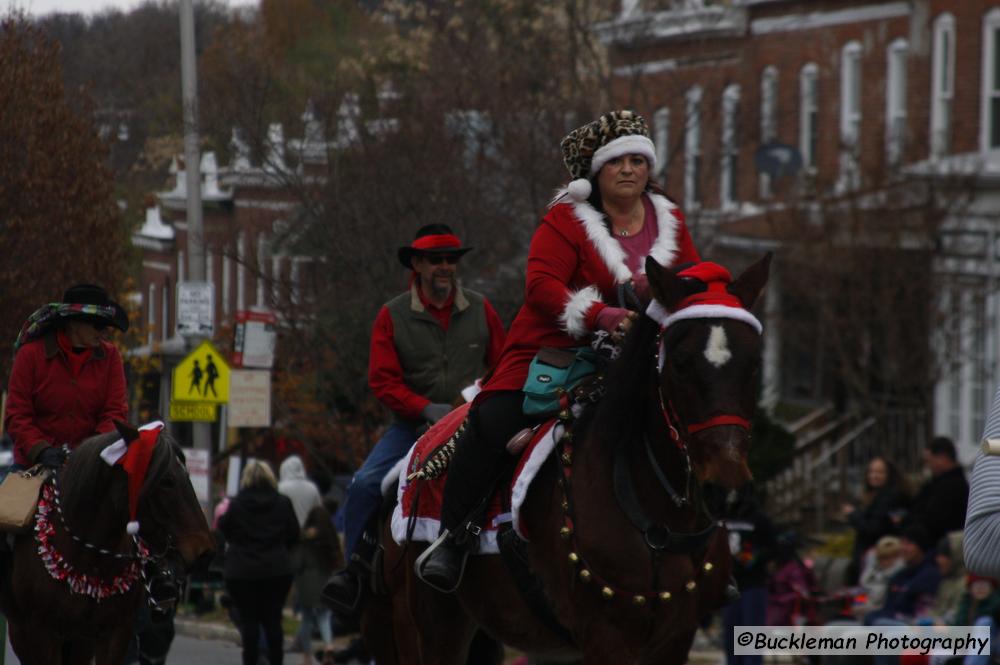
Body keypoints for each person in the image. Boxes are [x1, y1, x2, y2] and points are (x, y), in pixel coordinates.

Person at [417, 109, 700, 591]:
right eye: (617, 162)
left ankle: (704, 543)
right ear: (596, 172)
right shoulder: (567, 219)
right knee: (494, 418)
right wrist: (602, 316)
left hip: (642, 353)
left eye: (638, 160)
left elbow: (689, 279)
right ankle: (455, 536)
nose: (629, 170)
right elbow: (542, 287)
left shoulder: (670, 219)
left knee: (704, 415)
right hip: (554, 350)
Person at [322, 223, 506, 612]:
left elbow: (503, 363)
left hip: (472, 424)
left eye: (451, 260)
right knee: (365, 485)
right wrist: (423, 407)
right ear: (418, 264)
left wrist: (475, 398)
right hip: (412, 429)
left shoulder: (481, 309)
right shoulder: (392, 315)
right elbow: (382, 381)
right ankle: (353, 573)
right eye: (436, 260)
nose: (445, 267)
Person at [5, 283, 129, 472]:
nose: (103, 331)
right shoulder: (30, 355)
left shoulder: (111, 357)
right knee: (10, 502)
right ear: (73, 323)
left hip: (90, 467)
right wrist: (41, 450)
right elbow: (17, 415)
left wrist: (88, 452)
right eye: (97, 325)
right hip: (32, 465)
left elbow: (114, 413)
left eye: (105, 326)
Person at [218, 460, 300, 665]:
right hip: (276, 569)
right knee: (274, 620)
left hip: (242, 571)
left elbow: (224, 531)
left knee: (249, 622)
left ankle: (251, 660)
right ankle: (275, 660)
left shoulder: (236, 505)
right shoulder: (283, 503)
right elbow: (294, 533)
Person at [841, 456, 910, 582]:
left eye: (879, 472)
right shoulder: (879, 495)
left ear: (890, 474)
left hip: (879, 561)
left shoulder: (889, 498)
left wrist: (853, 514)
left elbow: (873, 529)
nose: (874, 475)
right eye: (871, 471)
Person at [293, 505, 343, 665]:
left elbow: (297, 561)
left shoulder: (304, 537)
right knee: (324, 616)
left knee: (307, 618)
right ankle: (329, 645)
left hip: (306, 581)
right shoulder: (329, 536)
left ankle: (307, 656)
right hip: (324, 579)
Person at [906, 437, 968, 548]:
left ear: (942, 458)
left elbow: (934, 521)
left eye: (929, 461)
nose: (928, 466)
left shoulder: (952, 487)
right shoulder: (937, 483)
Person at [279, 455, 323, 528]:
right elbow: (319, 511)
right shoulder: (312, 487)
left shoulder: (280, 488)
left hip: (288, 531)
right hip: (308, 531)